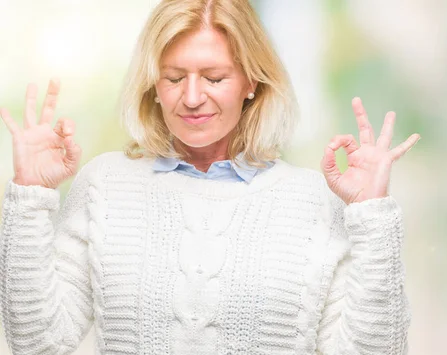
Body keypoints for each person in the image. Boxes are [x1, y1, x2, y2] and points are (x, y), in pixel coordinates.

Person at [0, 0, 419, 354]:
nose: (193, 97)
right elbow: (39, 344)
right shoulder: (104, 186)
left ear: (251, 81)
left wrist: (371, 216)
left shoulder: (313, 199)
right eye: (174, 78)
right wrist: (31, 196)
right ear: (153, 85)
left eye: (215, 78)